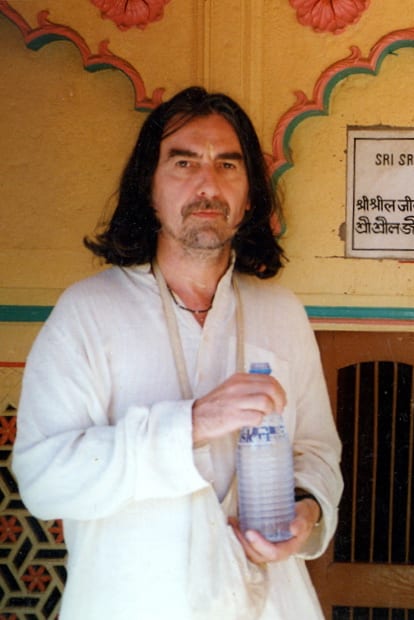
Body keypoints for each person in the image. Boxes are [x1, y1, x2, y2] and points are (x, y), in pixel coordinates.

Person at [12, 87, 343, 619]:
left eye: (227, 165)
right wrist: (189, 425)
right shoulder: (88, 313)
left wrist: (306, 513)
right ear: (150, 188)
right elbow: (44, 480)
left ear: (250, 195)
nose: (207, 184)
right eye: (183, 162)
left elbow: (316, 454)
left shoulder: (282, 313)